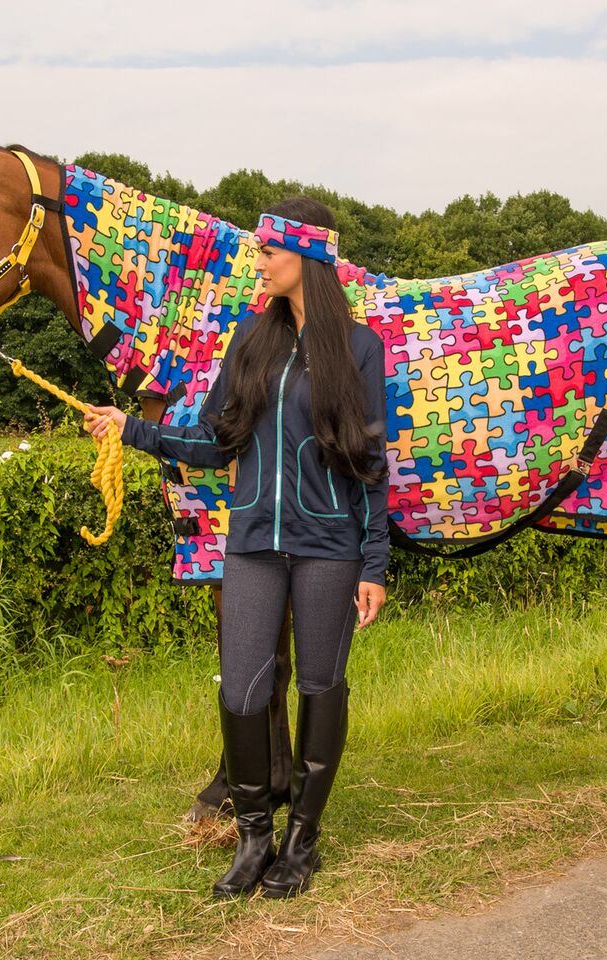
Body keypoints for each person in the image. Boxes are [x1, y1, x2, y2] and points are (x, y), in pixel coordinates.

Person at [84, 196, 389, 899]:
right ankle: (254, 837)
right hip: (252, 542)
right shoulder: (251, 339)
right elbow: (218, 442)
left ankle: (302, 843)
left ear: (306, 259)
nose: (260, 263)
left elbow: (372, 461)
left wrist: (374, 563)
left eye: (269, 252)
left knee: (320, 686)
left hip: (329, 547)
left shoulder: (360, 348)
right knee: (243, 688)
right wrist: (133, 430)